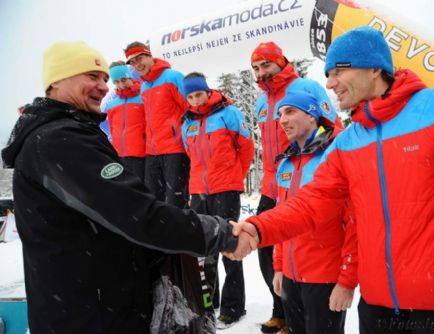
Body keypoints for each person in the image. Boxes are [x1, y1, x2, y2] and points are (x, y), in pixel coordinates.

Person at [230, 26, 434, 334]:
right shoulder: (348, 142)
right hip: (377, 309)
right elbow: (311, 202)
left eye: (338, 71)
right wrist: (257, 228)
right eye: (328, 74)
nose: (330, 83)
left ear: (374, 68)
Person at [0, 41, 254, 334]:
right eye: (92, 77)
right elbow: (136, 214)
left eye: (105, 79)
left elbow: (118, 218)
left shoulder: (72, 133)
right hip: (85, 316)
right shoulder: (59, 141)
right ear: (57, 81)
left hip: (98, 306)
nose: (104, 86)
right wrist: (219, 233)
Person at [250, 41, 339, 334]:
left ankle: (300, 310)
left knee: (304, 236)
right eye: (256, 68)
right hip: (276, 180)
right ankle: (284, 310)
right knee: (270, 251)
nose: (262, 72)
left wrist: (330, 166)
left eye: (266, 65)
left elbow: (332, 126)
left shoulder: (305, 87)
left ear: (281, 62)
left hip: (310, 175)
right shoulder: (262, 101)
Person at [271, 90, 357, 334]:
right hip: (290, 275)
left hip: (324, 277)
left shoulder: (334, 155)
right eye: (279, 114)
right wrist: (279, 266)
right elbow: (281, 217)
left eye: (290, 111)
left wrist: (347, 281)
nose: (282, 120)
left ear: (312, 116)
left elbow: (353, 222)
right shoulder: (286, 163)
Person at [181, 72, 254, 330]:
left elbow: (246, 148)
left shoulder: (228, 113)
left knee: (231, 247)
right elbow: (191, 156)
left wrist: (235, 177)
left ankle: (234, 307)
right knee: (205, 249)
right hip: (199, 192)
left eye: (198, 94)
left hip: (225, 190)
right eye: (190, 97)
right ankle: (209, 303)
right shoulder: (187, 122)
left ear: (207, 90)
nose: (195, 100)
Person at [124, 41, 189, 208]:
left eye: (139, 59)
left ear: (149, 55)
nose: (137, 65)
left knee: (176, 201)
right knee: (154, 201)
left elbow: (191, 109)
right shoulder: (144, 87)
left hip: (175, 150)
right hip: (152, 152)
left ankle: (181, 234)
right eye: (132, 62)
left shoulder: (173, 76)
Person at [103, 60, 145, 180]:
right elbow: (112, 130)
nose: (121, 85)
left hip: (142, 155)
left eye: (123, 80)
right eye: (116, 82)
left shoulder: (144, 97)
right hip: (120, 157)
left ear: (130, 77)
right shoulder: (112, 105)